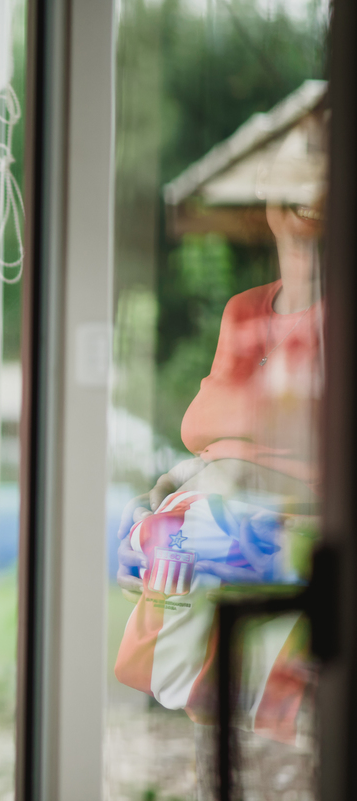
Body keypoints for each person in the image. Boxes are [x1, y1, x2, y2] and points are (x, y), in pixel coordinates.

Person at [114, 112, 326, 796]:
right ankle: (217, 685)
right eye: (289, 176)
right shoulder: (247, 312)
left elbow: (306, 433)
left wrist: (250, 426)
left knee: (195, 534)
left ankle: (259, 701)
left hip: (295, 516)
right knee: (174, 534)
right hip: (230, 502)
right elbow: (201, 421)